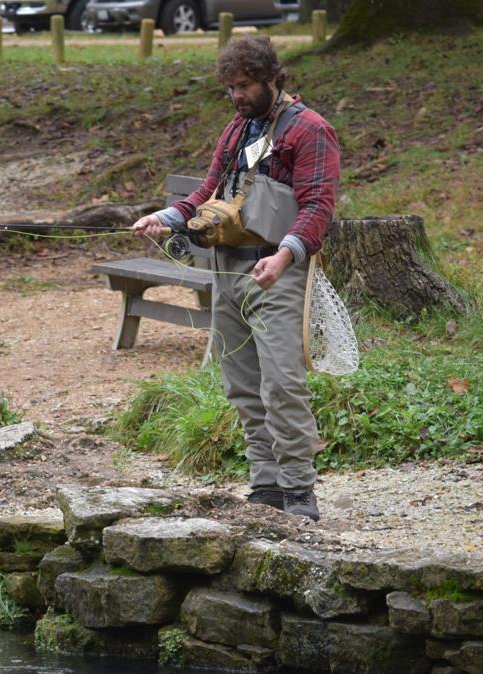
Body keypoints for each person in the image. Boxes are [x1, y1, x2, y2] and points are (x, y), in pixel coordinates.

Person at [131, 36, 340, 521]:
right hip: (227, 267)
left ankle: (297, 490)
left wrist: (286, 256)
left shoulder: (311, 130)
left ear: (272, 78)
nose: (237, 96)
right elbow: (207, 193)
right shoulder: (236, 130)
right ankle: (265, 486)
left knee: (283, 383)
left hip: (277, 269)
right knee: (242, 383)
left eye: (244, 86)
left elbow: (316, 207)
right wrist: (166, 218)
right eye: (230, 88)